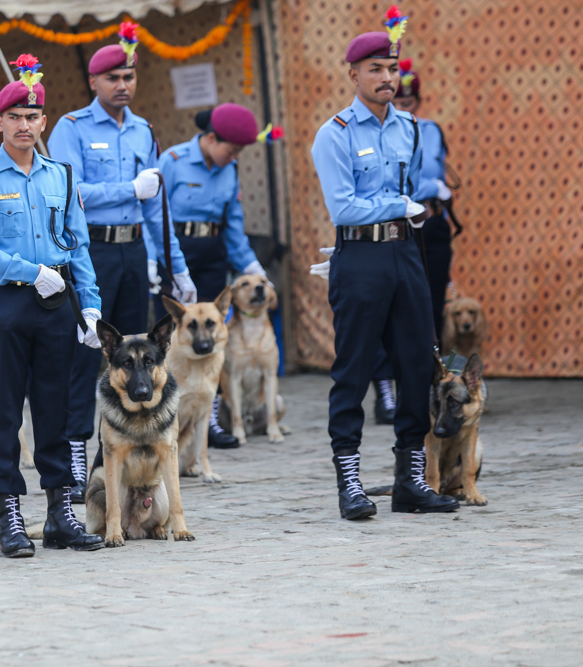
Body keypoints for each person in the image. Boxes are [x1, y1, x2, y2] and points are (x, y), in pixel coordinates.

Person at [309, 7, 459, 520]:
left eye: (392, 69)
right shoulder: (334, 133)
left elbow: (413, 190)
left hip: (405, 253)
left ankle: (410, 480)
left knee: (416, 363)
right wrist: (400, 206)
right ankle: (349, 480)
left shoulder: (410, 130)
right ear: (353, 75)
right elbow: (344, 206)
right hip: (361, 254)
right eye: (375, 69)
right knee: (353, 367)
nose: (386, 78)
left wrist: (408, 211)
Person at [0, 54, 104, 558]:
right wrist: (29, 272)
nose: (24, 125)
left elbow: (79, 245)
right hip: (11, 304)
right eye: (14, 117)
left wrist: (91, 307)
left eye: (33, 116)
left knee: (55, 410)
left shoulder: (60, 176)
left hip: (58, 302)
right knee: (6, 410)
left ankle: (61, 511)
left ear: (44, 120)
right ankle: (10, 513)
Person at [47, 22, 196, 503]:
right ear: (94, 82)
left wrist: (174, 265)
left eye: (129, 77)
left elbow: (155, 206)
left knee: (135, 355)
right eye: (113, 78)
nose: (123, 85)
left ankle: (119, 453)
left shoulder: (143, 130)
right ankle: (74, 452)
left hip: (133, 250)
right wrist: (126, 190)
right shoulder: (71, 128)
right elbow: (68, 192)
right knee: (85, 353)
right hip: (89, 250)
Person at [155, 103, 280, 449]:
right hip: (173, 252)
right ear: (211, 138)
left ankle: (206, 422)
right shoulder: (174, 161)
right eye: (231, 148)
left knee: (209, 339)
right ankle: (165, 420)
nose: (235, 155)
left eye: (240, 150)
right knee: (173, 342)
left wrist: (253, 268)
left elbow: (234, 228)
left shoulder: (229, 169)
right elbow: (153, 216)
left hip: (211, 256)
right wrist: (153, 262)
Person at [392, 58, 456, 340]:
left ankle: (434, 372)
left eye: (410, 102)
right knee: (404, 301)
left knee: (434, 300)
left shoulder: (431, 130)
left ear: (417, 101)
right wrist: (435, 188)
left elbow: (437, 170)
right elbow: (399, 183)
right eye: (398, 102)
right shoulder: (383, 133)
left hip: (432, 223)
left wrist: (440, 192)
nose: (404, 107)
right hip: (399, 225)